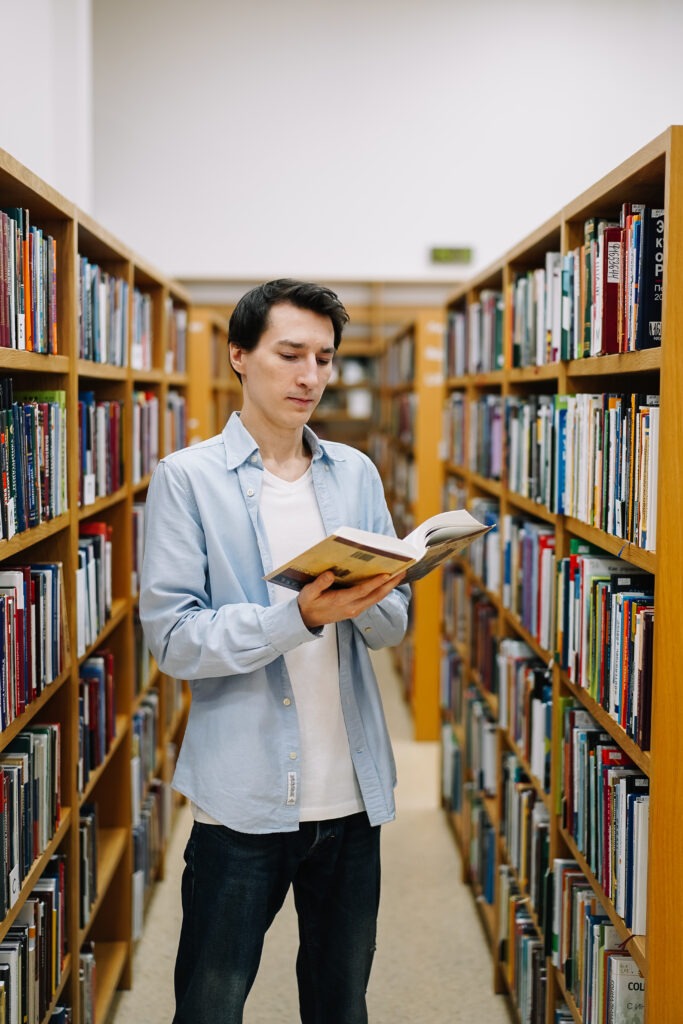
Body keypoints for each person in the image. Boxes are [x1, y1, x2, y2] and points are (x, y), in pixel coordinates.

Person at [139, 279, 410, 1024]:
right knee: (211, 1003)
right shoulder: (187, 479)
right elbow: (172, 639)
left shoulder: (353, 472)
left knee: (338, 1003)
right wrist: (298, 616)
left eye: (323, 358)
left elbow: (393, 628)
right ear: (239, 357)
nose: (309, 376)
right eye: (290, 354)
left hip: (352, 795)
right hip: (243, 799)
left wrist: (380, 590)